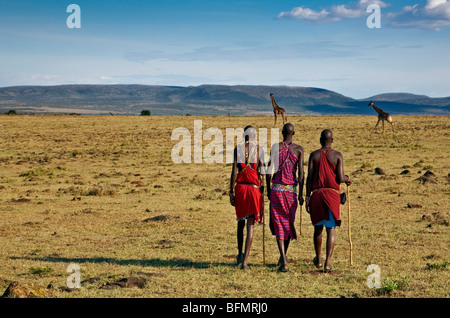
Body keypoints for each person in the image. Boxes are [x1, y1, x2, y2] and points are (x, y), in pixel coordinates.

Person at [305, 129, 351, 273]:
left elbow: (309, 178)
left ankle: (318, 259)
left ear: (320, 140)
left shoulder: (314, 155)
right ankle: (327, 262)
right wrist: (348, 178)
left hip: (317, 194)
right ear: (332, 140)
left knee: (318, 227)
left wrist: (307, 197)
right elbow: (340, 178)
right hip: (332, 195)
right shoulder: (337, 155)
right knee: (330, 229)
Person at [266, 123, 304, 272]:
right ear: (293, 133)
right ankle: (283, 257)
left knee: (279, 224)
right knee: (287, 224)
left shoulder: (276, 148)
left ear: (282, 133)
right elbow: (301, 174)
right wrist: (301, 193)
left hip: (277, 190)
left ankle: (283, 259)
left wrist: (268, 189)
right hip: (291, 192)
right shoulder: (299, 150)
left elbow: (269, 170)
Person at [229, 126, 264, 270]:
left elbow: (234, 171)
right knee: (250, 225)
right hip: (254, 190)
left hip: (241, 189)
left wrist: (231, 191)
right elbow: (261, 170)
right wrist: (264, 188)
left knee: (240, 223)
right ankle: (245, 261)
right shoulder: (259, 150)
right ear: (254, 136)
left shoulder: (238, 150)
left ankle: (239, 254)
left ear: (244, 136)